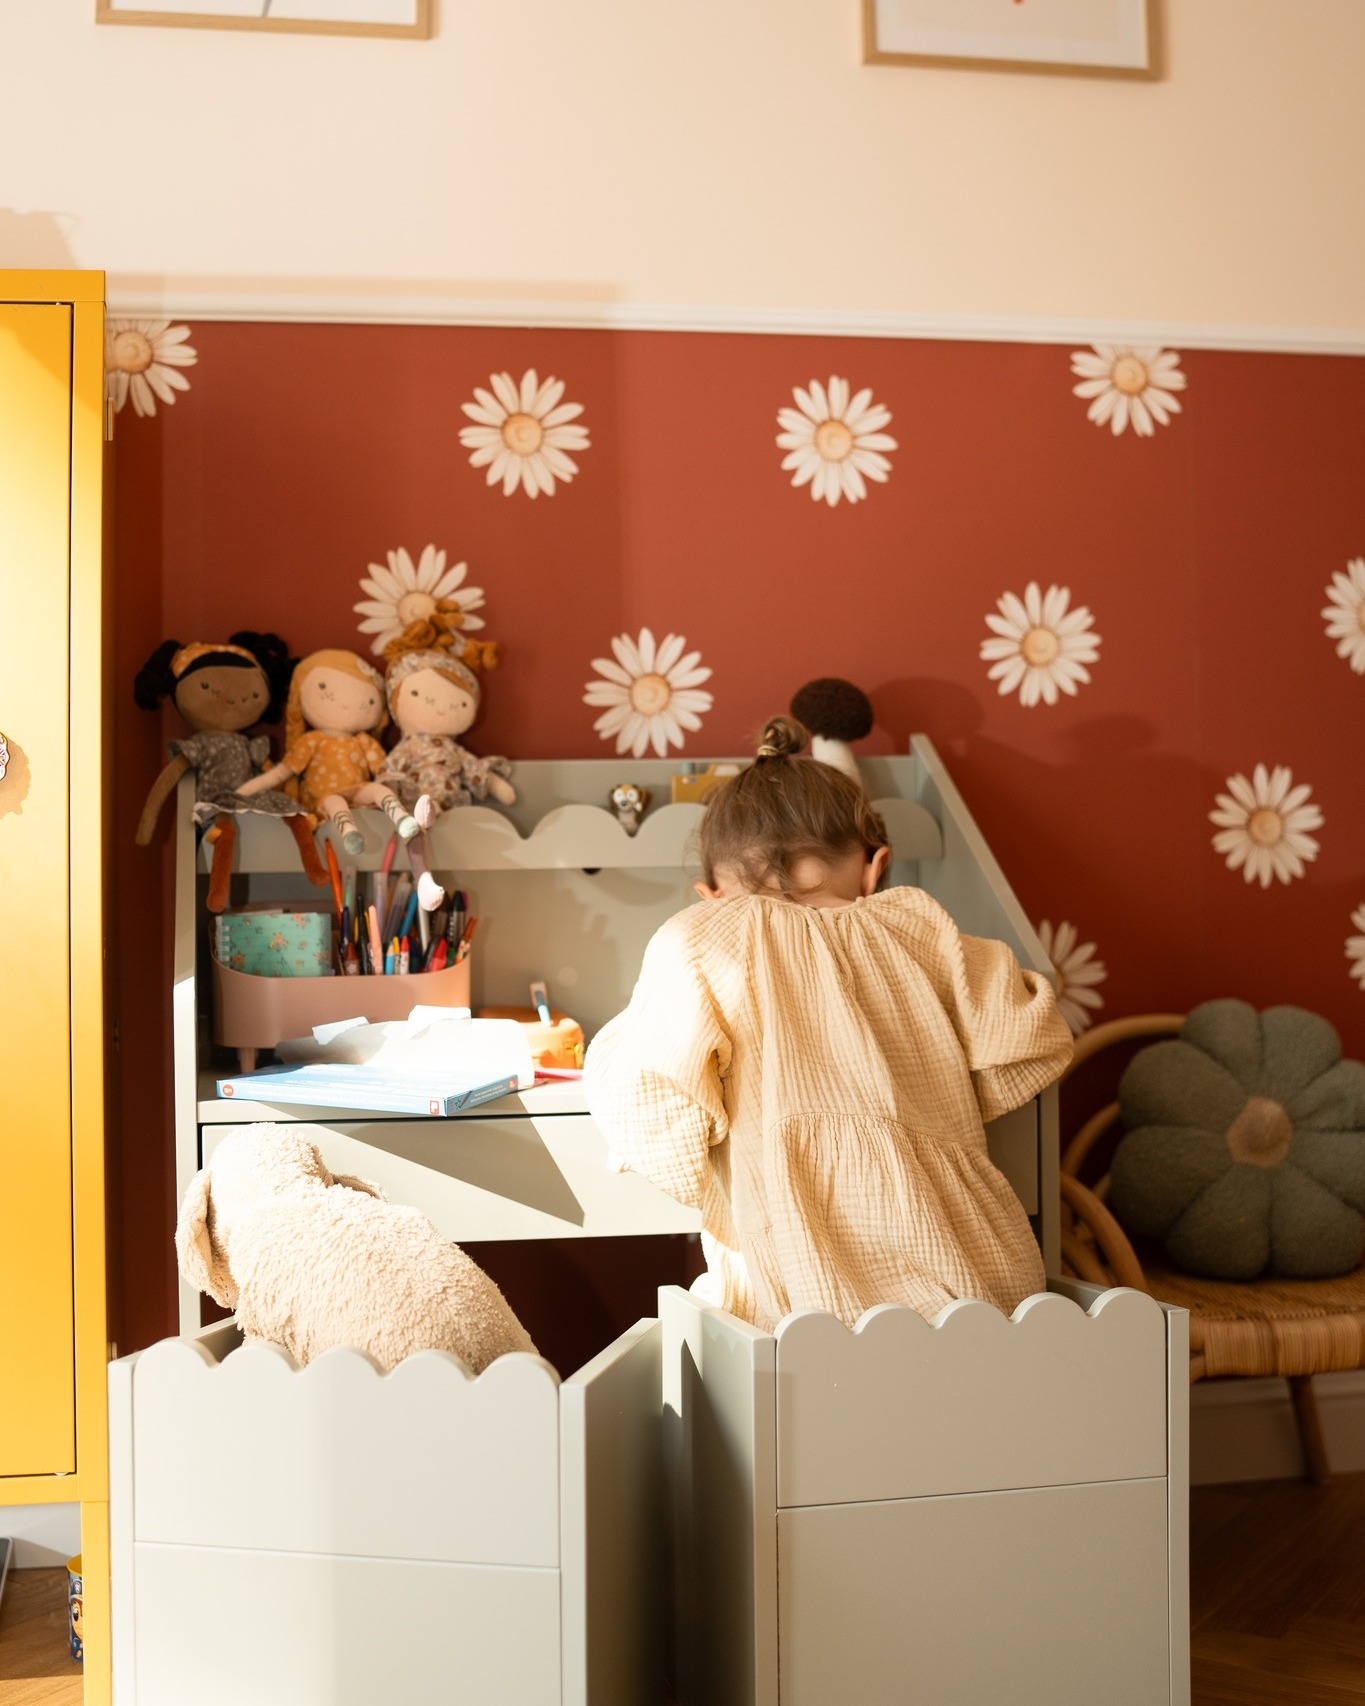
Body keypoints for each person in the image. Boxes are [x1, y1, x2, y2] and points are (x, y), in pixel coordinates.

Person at [583, 715, 1073, 1332]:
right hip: (971, 1276)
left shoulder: (702, 939)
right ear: (876, 867)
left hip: (800, 1284)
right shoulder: (918, 923)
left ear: (710, 894)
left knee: (741, 1342)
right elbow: (1027, 1039)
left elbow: (651, 1111)